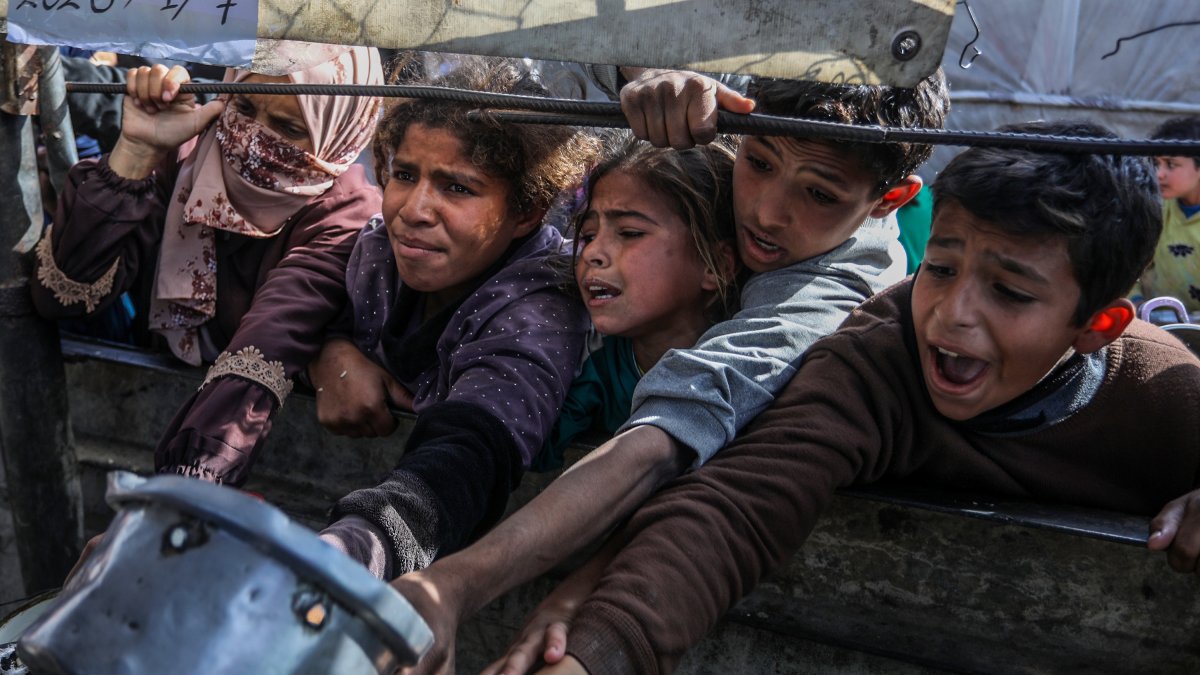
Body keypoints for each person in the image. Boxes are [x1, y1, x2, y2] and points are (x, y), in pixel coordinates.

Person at [512, 120, 1200, 675]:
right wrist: (592, 652)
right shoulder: (878, 353)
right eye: (941, 266)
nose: (950, 314)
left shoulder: (1167, 395)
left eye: (1010, 292)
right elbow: (732, 510)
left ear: (1095, 325)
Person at [390, 66, 951, 673]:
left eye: (818, 194)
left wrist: (453, 586)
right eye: (758, 162)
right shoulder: (719, 172)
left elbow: (665, 443)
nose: (766, 212)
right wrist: (661, 77)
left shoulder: (830, 299)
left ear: (889, 200)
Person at [31, 43, 384, 486]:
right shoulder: (188, 156)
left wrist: (183, 493)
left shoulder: (344, 216)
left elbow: (268, 342)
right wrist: (136, 152)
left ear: (341, 131)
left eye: (288, 127)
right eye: (244, 106)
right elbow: (60, 296)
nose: (252, 138)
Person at [310, 58, 599, 579]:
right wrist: (330, 353)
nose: (414, 209)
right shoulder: (374, 251)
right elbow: (298, 309)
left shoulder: (541, 307)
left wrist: (363, 545)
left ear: (528, 211)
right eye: (404, 175)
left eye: (458, 188)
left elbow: (474, 445)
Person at [538, 134, 739, 470]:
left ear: (716, 266)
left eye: (629, 233)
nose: (592, 253)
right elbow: (532, 447)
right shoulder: (598, 370)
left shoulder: (747, 366)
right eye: (588, 236)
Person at [1131, 116, 1200, 316]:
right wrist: (1137, 304)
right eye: (1156, 163)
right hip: (1159, 325)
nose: (1159, 174)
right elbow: (1130, 264)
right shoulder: (1153, 211)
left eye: (1171, 164)